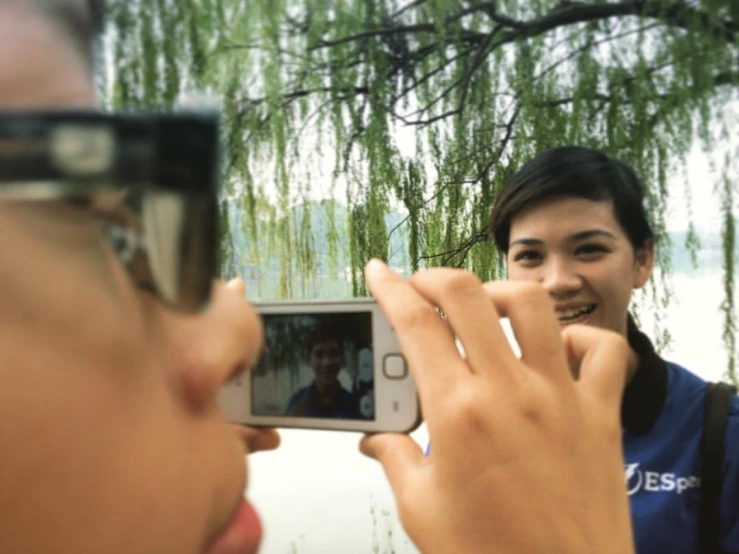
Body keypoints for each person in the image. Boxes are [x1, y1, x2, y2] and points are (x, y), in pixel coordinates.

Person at [1, 2, 637, 553]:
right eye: (79, 224)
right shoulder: (465, 428)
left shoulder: (722, 428)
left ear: (644, 260)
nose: (236, 329)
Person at [488, 145, 739, 553]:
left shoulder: (721, 430)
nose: (556, 281)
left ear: (642, 260)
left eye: (588, 249)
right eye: (530, 256)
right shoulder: (477, 424)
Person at [285, 323, 356, 418]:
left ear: (342, 359)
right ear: (309, 360)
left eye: (333, 354)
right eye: (319, 354)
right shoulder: (296, 405)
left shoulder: (354, 406)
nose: (327, 363)